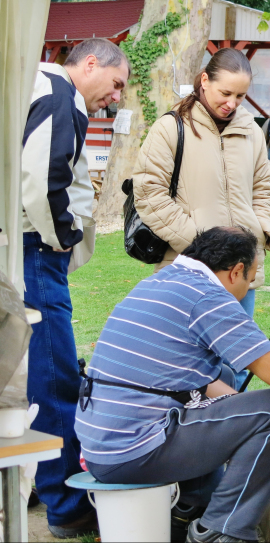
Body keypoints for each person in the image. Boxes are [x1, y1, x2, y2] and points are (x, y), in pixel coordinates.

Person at [75, 226, 270, 543]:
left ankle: (190, 511)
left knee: (229, 380)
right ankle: (222, 531)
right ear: (237, 271)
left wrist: (246, 419)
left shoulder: (162, 282)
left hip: (102, 448)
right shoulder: (206, 295)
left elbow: (204, 384)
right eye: (251, 278)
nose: (247, 288)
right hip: (134, 451)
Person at [21, 38, 129, 539]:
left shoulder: (36, 86)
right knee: (55, 377)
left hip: (25, 248)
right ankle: (64, 504)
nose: (116, 97)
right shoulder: (57, 92)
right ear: (90, 64)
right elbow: (41, 179)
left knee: (31, 376)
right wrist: (60, 238)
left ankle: (42, 483)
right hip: (35, 251)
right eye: (117, 83)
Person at [132, 47, 270, 336]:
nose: (231, 103)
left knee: (236, 360)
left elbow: (262, 189)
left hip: (240, 268)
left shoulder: (252, 132)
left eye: (240, 96)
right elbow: (149, 193)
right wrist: (199, 243)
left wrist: (260, 229)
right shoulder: (170, 127)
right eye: (225, 93)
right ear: (204, 80)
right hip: (189, 268)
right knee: (190, 360)